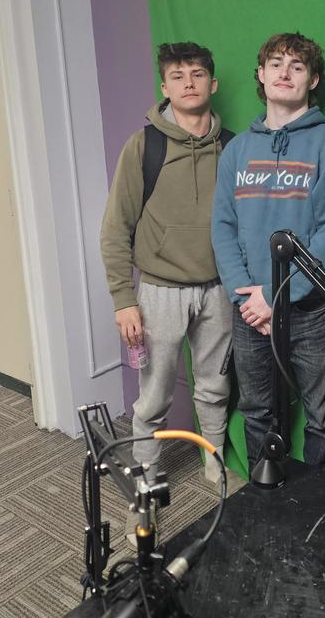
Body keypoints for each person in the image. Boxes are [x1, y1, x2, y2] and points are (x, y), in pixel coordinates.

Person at [211, 32, 325, 475]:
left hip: (311, 310)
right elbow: (222, 226)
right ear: (261, 75)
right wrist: (246, 297)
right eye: (275, 63)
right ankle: (264, 502)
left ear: (313, 80)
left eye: (296, 66)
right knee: (257, 412)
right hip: (250, 308)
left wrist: (276, 294)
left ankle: (322, 511)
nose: (284, 72)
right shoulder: (237, 150)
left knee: (323, 418)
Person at [100, 42, 234, 492]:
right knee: (154, 396)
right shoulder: (145, 146)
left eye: (197, 74)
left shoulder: (233, 148)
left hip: (219, 288)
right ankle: (146, 477)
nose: (189, 83)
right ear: (165, 87)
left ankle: (214, 464)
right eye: (178, 76)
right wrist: (124, 300)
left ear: (212, 84)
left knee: (215, 388)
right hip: (159, 290)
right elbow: (115, 227)